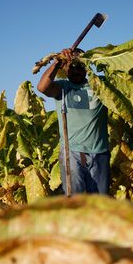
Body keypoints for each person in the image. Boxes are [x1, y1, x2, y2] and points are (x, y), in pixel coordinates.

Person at [37, 48, 110, 195]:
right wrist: (58, 61)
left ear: (86, 66)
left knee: (99, 204)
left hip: (100, 154)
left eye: (80, 65)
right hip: (72, 154)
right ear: (65, 68)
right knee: (74, 202)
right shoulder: (62, 88)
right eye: (71, 66)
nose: (75, 70)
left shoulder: (100, 86)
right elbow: (42, 87)